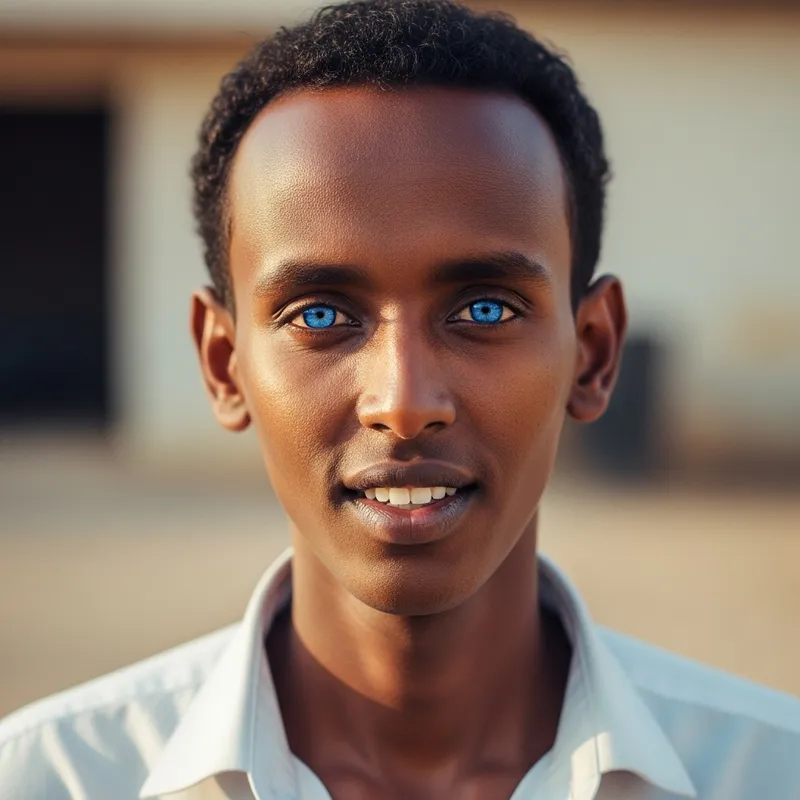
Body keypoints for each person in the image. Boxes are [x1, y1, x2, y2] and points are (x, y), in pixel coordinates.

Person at [2, 1, 799, 797]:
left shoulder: (767, 771)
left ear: (593, 353)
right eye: (319, 315)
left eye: (484, 309)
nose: (404, 401)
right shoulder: (51, 778)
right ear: (224, 363)